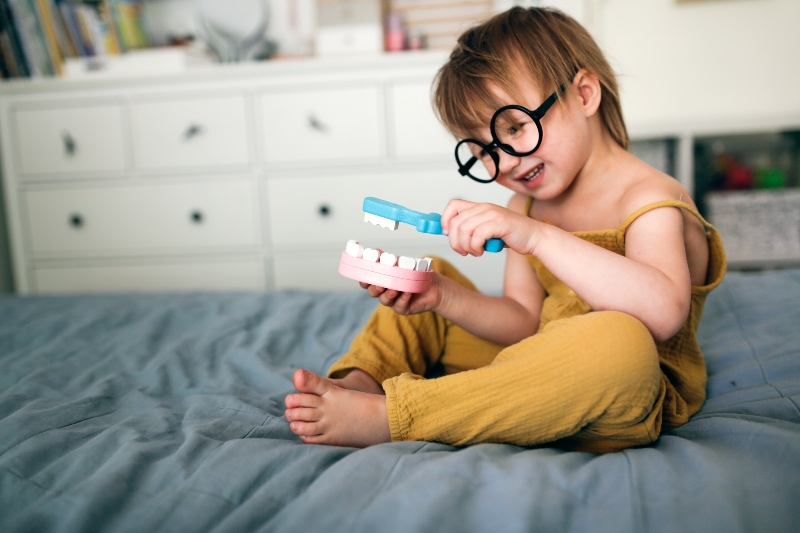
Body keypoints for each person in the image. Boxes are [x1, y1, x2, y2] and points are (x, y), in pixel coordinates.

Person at [284, 6, 726, 453]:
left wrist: (537, 236)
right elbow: (523, 323)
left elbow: (663, 312)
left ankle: (399, 415)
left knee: (619, 340)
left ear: (586, 94)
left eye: (515, 127)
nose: (507, 161)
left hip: (625, 390)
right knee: (431, 273)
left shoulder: (649, 199)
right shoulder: (527, 204)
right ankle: (362, 384)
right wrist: (443, 296)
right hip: (538, 366)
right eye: (485, 151)